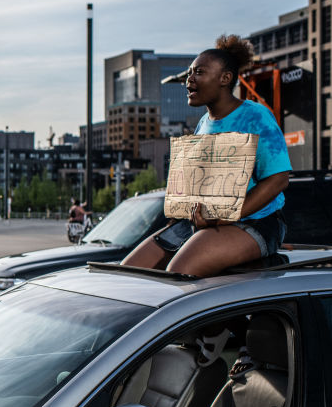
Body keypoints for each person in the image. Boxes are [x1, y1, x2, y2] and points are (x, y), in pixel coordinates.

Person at [121, 35, 291, 277]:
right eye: (189, 73)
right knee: (128, 273)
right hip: (205, 223)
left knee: (180, 272)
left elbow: (279, 180)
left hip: (256, 223)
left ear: (225, 78)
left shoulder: (256, 116)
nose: (189, 79)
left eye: (198, 72)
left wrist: (224, 217)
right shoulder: (203, 123)